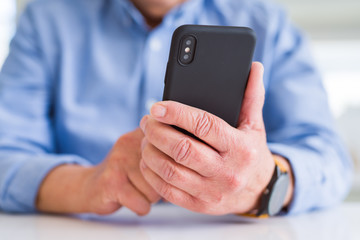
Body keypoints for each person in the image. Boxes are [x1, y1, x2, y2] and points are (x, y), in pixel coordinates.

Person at [0, 0, 352, 217]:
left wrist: (263, 181)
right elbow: (5, 154)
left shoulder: (269, 25)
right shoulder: (46, 21)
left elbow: (330, 160)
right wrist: (87, 184)